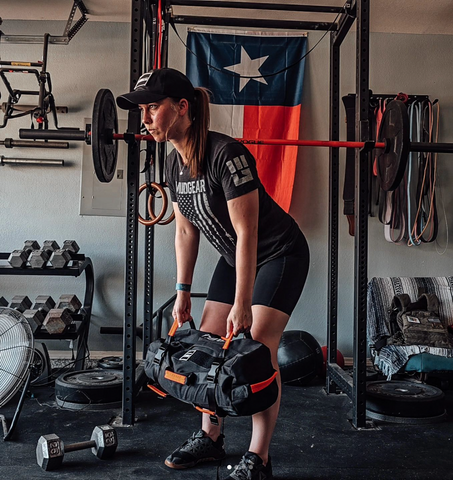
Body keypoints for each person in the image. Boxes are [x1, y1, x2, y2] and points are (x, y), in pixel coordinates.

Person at [117, 68, 310, 480]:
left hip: (279, 254)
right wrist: (183, 291)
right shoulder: (174, 163)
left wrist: (243, 303)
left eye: (153, 108)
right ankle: (211, 437)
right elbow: (186, 229)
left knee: (257, 348)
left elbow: (249, 231)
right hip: (234, 255)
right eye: (142, 110)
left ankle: (259, 456)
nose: (145, 118)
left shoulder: (228, 154)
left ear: (182, 108)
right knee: (206, 341)